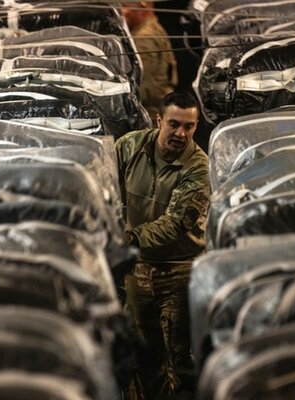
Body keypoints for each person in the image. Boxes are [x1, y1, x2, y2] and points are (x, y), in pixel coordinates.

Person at [115, 92, 209, 400]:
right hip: (138, 268)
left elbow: (175, 223)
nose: (181, 133)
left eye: (189, 127)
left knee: (179, 358)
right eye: (174, 124)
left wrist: (127, 239)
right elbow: (105, 189)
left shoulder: (198, 166)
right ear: (159, 121)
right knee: (142, 354)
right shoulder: (129, 147)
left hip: (180, 270)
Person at [122, 2, 179, 122]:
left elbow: (142, 85)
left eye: (125, 6)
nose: (121, 12)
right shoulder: (154, 29)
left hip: (149, 114)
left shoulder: (143, 37)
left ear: (141, 8)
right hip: (158, 109)